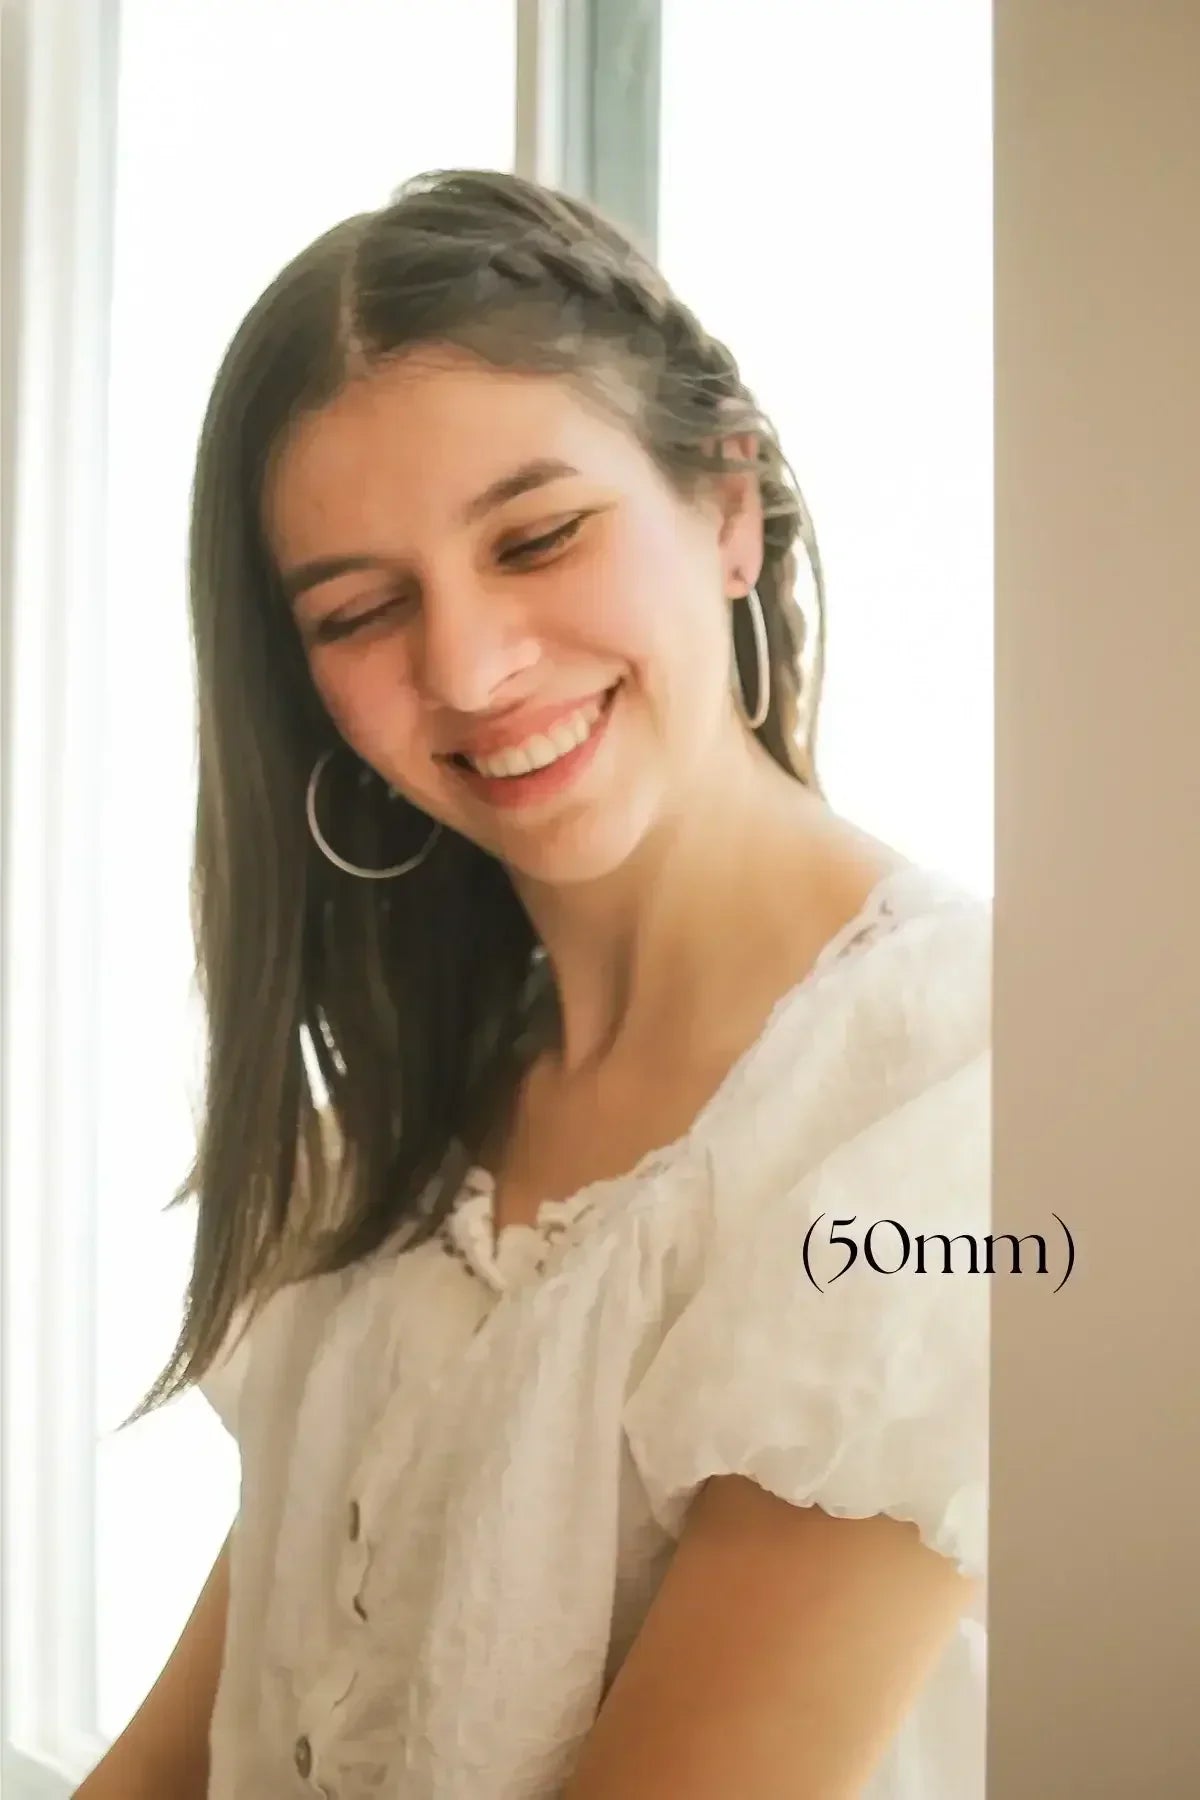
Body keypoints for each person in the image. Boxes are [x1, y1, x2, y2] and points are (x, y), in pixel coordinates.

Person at [76, 169, 991, 1800]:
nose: (472, 669)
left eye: (540, 537)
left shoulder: (976, 1102)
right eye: (361, 611)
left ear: (728, 503)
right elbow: (178, 1757)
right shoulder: (395, 1127)